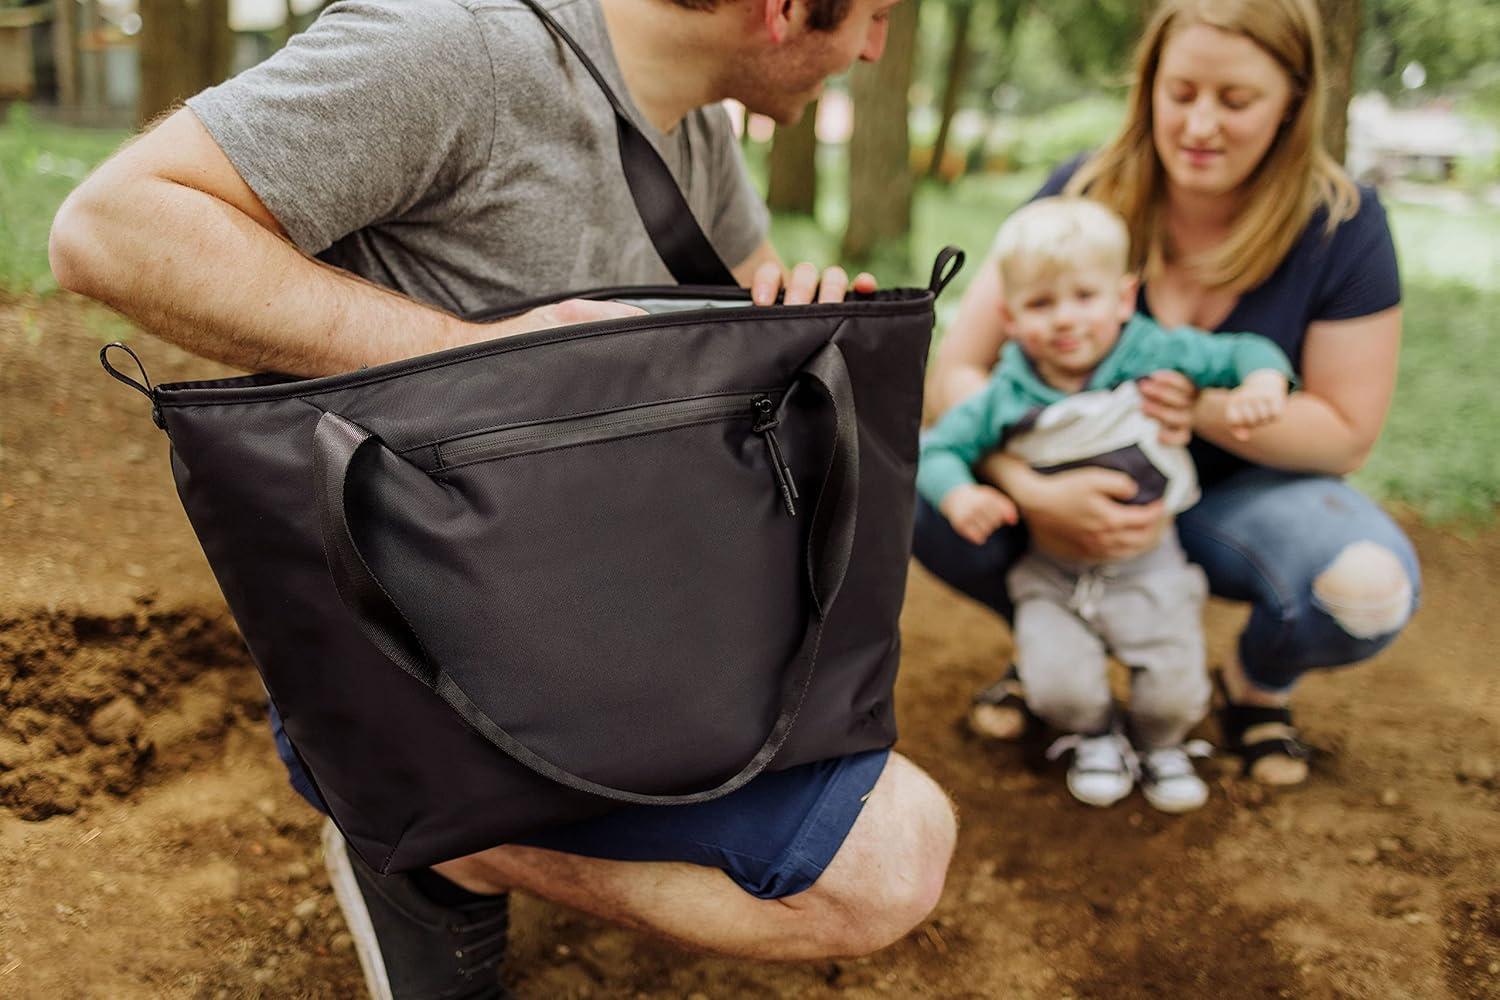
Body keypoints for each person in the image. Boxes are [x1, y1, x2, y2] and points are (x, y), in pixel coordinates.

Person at [48, 0, 957, 996]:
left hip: (612, 622)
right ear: (782, 10)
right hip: (423, 655)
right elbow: (107, 228)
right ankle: (436, 839)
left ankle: (477, 832)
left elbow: (719, 344)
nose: (876, 49)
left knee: (893, 842)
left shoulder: (696, 115)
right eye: (872, 16)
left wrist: (789, 318)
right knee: (885, 863)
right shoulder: (453, 44)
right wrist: (460, 355)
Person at [914, 0, 1419, 792]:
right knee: (920, 488)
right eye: (1180, 93)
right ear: (1148, 84)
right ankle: (1057, 648)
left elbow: (1345, 435)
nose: (1200, 124)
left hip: (1239, 500)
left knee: (1367, 589)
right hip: (1064, 494)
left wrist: (1201, 410)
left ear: (1294, 97)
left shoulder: (1342, 224)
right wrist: (1031, 485)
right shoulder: (1080, 191)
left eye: (1236, 100)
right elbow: (958, 375)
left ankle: (1253, 687)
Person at [918, 195, 1293, 812]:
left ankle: (1162, 743)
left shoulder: (1151, 352)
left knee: (1173, 687)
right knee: (1058, 685)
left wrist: (1262, 382)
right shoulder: (1008, 391)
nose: (1065, 320)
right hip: (1053, 572)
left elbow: (1244, 350)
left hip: (1151, 565)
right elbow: (938, 449)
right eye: (1041, 304)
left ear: (1123, 298)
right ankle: (1090, 736)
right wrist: (959, 494)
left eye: (1084, 297)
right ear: (1009, 318)